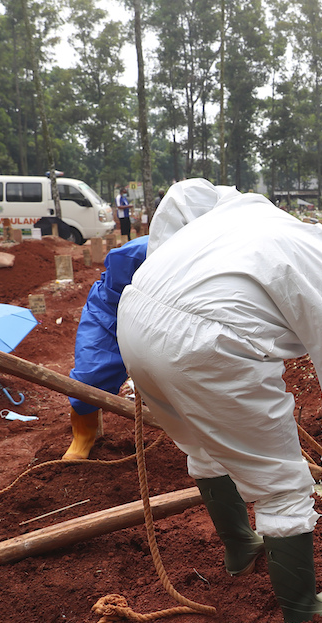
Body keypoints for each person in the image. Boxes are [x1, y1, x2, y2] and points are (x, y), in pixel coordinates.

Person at [117, 196, 322, 623]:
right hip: (208, 346)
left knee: (203, 447)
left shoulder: (259, 212)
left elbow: (185, 195)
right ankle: (303, 609)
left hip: (136, 317)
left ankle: (240, 549)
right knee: (283, 484)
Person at [63, 179, 239, 460]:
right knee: (93, 371)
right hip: (114, 308)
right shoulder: (136, 253)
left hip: (183, 317)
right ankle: (84, 432)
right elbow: (115, 296)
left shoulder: (227, 256)